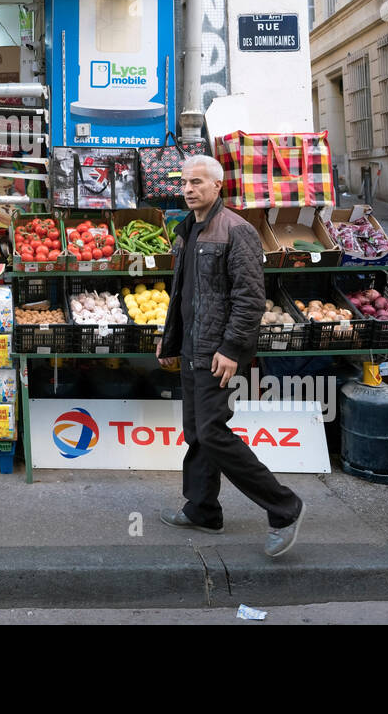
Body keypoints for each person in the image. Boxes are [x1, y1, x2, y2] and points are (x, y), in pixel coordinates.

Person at [157, 154, 306, 557]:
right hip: (191, 347)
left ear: (218, 186)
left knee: (212, 432)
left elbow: (249, 298)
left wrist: (231, 348)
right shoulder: (188, 228)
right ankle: (203, 509)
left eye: (198, 182)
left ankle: (284, 507)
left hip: (215, 351)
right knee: (196, 432)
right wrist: (170, 341)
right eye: (185, 182)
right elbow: (183, 293)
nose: (189, 189)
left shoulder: (236, 231)